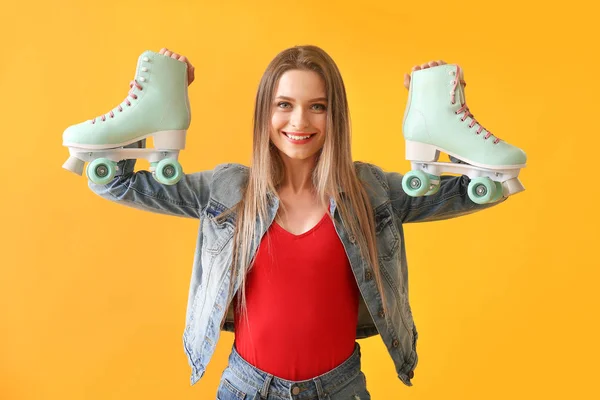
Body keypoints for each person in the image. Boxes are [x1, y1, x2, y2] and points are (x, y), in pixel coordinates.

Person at [87, 45, 505, 399]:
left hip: (341, 389)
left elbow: (481, 188)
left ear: (335, 115)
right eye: (284, 105)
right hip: (246, 388)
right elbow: (114, 182)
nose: (299, 122)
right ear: (264, 113)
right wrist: (153, 99)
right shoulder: (227, 191)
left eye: (317, 107)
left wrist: (442, 108)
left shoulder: (370, 191)